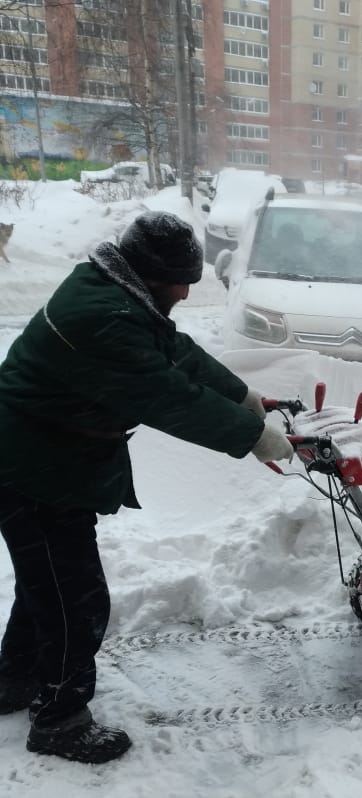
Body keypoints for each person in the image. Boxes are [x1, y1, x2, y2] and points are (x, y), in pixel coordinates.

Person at [0, 210, 294, 765]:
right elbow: (169, 396)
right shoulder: (104, 318)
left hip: (43, 462)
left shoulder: (115, 294)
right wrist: (258, 438)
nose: (186, 291)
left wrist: (243, 398)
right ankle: (59, 719)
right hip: (32, 468)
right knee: (75, 597)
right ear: (153, 275)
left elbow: (174, 353)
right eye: (182, 280)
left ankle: (14, 680)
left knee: (49, 586)